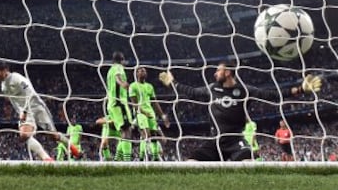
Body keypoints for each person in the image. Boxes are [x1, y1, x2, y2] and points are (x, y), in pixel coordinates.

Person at [159, 62, 322, 161]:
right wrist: (173, 84)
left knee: (249, 165)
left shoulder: (244, 90)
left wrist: (300, 89)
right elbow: (192, 92)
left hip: (235, 141)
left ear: (228, 72)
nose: (215, 73)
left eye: (218, 70)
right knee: (190, 165)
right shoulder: (212, 89)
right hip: (215, 141)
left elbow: (272, 95)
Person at [0, 61, 82, 161]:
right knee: (24, 135)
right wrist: (21, 112)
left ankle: (75, 150)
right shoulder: (3, 86)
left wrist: (24, 111)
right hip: (26, 112)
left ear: (4, 70)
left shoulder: (17, 78)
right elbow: (14, 101)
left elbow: (30, 93)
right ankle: (48, 160)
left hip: (37, 107)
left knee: (53, 136)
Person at [129, 67, 170, 161]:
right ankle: (141, 157)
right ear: (137, 73)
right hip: (140, 113)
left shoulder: (150, 86)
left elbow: (155, 102)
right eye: (142, 71)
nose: (144, 72)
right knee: (146, 135)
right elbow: (134, 104)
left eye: (145, 71)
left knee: (154, 134)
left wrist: (163, 115)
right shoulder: (133, 86)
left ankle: (155, 158)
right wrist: (144, 113)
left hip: (150, 113)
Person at [106, 51, 133, 161]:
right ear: (122, 60)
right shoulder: (118, 67)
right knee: (127, 130)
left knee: (123, 131)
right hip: (119, 103)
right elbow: (118, 78)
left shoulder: (109, 70)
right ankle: (127, 162)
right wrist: (123, 83)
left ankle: (118, 160)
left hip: (112, 104)